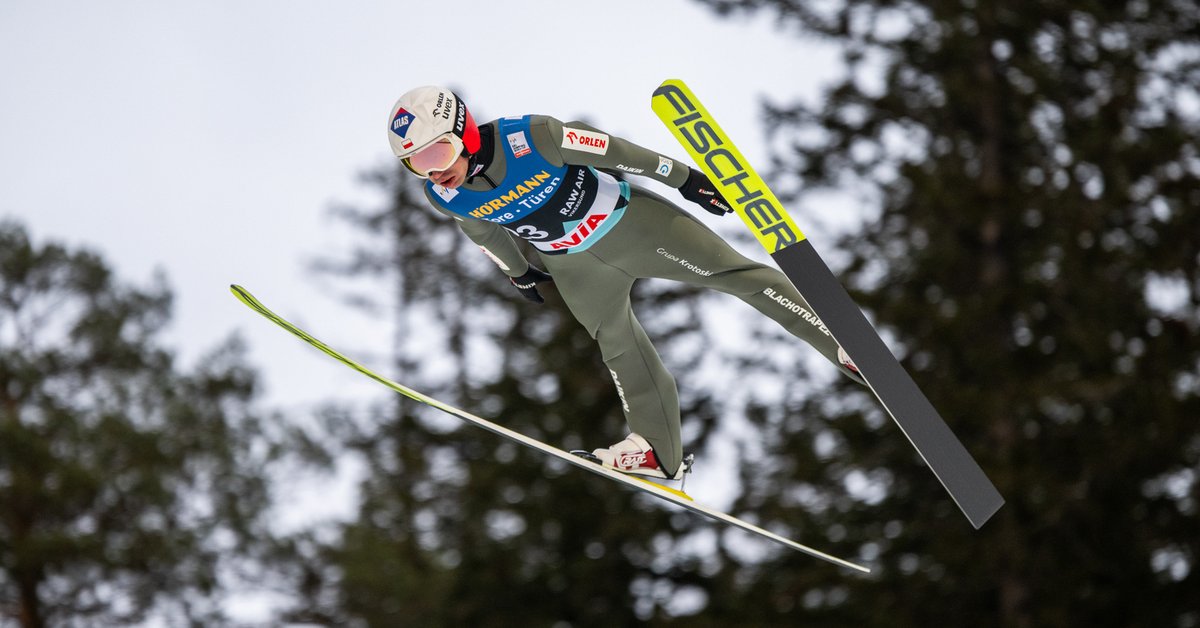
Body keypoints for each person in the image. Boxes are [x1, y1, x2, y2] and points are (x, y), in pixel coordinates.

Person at [387, 85, 862, 481]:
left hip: (630, 225)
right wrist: (518, 272)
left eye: (438, 151)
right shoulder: (445, 194)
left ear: (465, 131)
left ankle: (838, 340)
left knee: (733, 275)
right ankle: (658, 452)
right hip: (572, 265)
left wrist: (682, 178)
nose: (434, 169)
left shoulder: (531, 137)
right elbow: (482, 230)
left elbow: (613, 149)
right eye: (416, 163)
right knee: (618, 346)